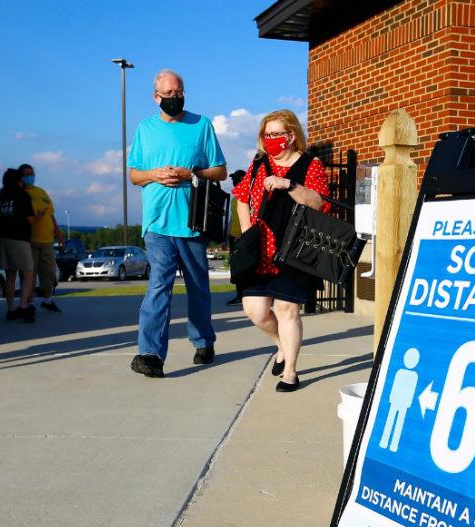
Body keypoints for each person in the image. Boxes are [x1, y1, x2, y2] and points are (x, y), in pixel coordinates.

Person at [127, 69, 227, 378]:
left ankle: (203, 341)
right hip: (157, 221)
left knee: (197, 286)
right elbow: (134, 175)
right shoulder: (145, 128)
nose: (175, 97)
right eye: (168, 93)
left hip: (192, 221)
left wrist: (189, 174)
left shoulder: (201, 125)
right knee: (160, 284)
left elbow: (220, 171)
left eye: (179, 92)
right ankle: (151, 354)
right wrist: (154, 174)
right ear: (156, 96)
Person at [232, 109, 331, 392]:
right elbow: (241, 196)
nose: (272, 139)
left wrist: (288, 184)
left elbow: (318, 203)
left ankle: (290, 371)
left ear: (291, 135)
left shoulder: (310, 164)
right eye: (267, 134)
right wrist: (247, 229)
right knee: (256, 311)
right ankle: (281, 346)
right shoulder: (259, 163)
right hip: (260, 250)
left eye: (277, 133)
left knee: (287, 310)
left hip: (295, 249)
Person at [0, 168, 43, 322]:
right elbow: (30, 220)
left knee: (10, 276)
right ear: (18, 181)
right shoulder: (22, 196)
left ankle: (10, 309)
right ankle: (22, 306)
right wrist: (39, 216)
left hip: (3, 239)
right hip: (20, 239)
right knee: (28, 274)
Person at [20, 163, 65, 314]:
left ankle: (47, 300)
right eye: (27, 174)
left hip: (47, 241)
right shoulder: (21, 194)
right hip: (30, 241)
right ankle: (30, 303)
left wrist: (59, 237)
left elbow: (51, 216)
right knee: (30, 274)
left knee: (49, 272)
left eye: (32, 174)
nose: (30, 177)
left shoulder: (42, 192)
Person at [226, 169, 247, 307]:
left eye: (237, 180)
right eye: (233, 180)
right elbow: (232, 218)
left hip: (243, 237)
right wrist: (225, 237)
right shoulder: (234, 199)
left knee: (243, 269)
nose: (234, 182)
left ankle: (244, 296)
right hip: (233, 238)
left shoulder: (247, 197)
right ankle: (239, 295)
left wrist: (242, 234)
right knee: (235, 269)